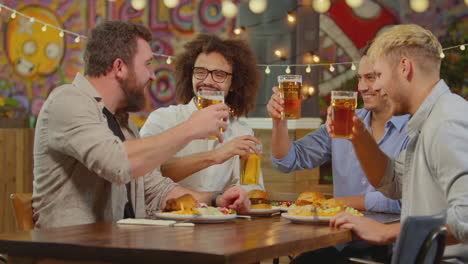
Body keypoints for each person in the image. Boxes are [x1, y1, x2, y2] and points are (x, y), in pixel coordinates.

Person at [32, 21, 250, 229]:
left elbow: (156, 189)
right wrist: (191, 129)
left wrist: (216, 200)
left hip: (121, 247)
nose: (153, 76)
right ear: (119, 67)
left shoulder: (125, 125)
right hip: (72, 252)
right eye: (147, 65)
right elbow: (116, 162)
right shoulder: (68, 101)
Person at [330, 24, 468, 263]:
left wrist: (385, 232)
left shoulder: (447, 121)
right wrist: (359, 136)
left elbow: (465, 217)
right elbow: (393, 182)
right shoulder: (428, 121)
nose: (376, 88)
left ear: (404, 68)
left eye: (380, 75)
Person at [267, 44, 410, 263]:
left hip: (391, 248)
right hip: (341, 242)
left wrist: (341, 201)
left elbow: (405, 200)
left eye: (371, 77)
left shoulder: (415, 129)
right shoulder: (344, 120)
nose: (362, 87)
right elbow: (287, 160)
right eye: (360, 78)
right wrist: (279, 122)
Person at [140, 34, 265, 192]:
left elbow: (252, 187)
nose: (207, 81)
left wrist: (241, 196)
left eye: (219, 75)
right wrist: (215, 156)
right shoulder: (163, 119)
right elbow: (145, 175)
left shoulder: (242, 131)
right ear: (190, 75)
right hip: (167, 215)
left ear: (233, 84)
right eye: (200, 72)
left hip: (221, 215)